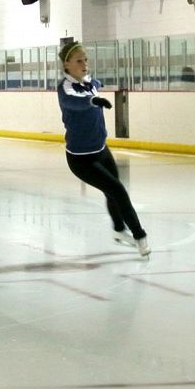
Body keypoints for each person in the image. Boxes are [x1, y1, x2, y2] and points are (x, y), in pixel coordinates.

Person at [57, 41, 150, 256]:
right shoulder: (65, 89)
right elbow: (76, 102)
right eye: (79, 60)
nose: (84, 64)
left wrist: (94, 94)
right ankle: (139, 236)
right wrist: (94, 100)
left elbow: (91, 88)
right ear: (67, 65)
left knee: (112, 192)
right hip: (81, 159)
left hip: (101, 149)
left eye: (86, 59)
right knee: (118, 191)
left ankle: (118, 229)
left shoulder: (91, 82)